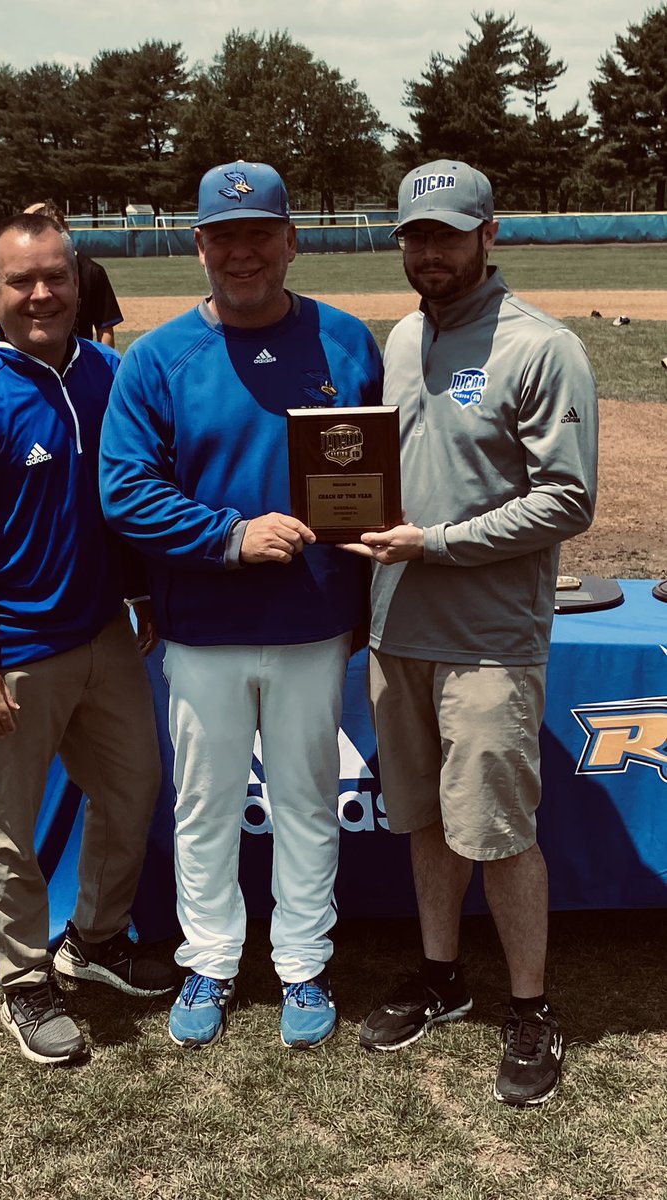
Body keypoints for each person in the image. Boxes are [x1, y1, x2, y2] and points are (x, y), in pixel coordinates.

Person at [100, 160, 384, 1051]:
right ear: (198, 248)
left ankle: (303, 963)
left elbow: (378, 482)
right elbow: (125, 489)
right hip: (206, 627)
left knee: (305, 799)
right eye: (224, 236)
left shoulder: (347, 342)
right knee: (208, 803)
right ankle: (211, 961)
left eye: (260, 232)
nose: (243, 251)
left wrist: (366, 605)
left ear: (292, 239)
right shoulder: (155, 357)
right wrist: (231, 536)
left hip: (310, 621)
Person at [349, 160, 598, 1106]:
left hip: (489, 638)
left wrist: (437, 542)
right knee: (423, 820)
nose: (429, 251)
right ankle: (442, 974)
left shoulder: (541, 348)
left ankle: (531, 1006)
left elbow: (567, 501)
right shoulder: (403, 337)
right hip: (396, 628)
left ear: (489, 235)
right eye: (415, 234)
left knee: (497, 831)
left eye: (448, 234)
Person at [0, 211, 174, 1066]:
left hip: (104, 638)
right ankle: (24, 979)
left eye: (55, 276)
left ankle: (94, 940)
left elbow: (128, 506)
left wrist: (136, 592)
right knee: (8, 831)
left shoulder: (111, 374)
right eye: (21, 280)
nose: (40, 294)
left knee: (133, 793)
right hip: (11, 652)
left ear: (77, 279)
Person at [23, 201, 123, 347]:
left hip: (78, 359)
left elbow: (105, 329)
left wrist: (103, 367)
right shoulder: (30, 271)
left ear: (67, 230)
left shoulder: (92, 272)